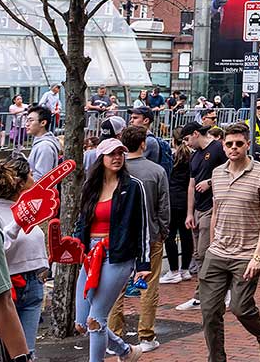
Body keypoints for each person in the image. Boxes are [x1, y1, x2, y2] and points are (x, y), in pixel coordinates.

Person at [197, 122, 260, 362]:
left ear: (247, 144)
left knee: (240, 307)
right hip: (218, 252)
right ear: (223, 145)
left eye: (239, 144)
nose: (234, 148)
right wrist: (211, 245)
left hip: (246, 254)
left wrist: (258, 255)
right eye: (229, 144)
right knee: (209, 312)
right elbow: (217, 209)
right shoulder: (217, 173)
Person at [73, 138, 152, 362]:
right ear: (101, 158)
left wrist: (143, 264)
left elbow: (143, 225)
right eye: (111, 154)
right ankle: (126, 351)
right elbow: (82, 222)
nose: (117, 158)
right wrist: (76, 247)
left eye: (120, 153)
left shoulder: (132, 186)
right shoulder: (91, 186)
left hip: (117, 256)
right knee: (81, 323)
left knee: (95, 320)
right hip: (91, 255)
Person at [108, 126, 170, 353]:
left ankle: (114, 335)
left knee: (116, 287)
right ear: (143, 143)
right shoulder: (156, 171)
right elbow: (164, 205)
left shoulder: (115, 170)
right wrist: (163, 230)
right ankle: (146, 334)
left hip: (121, 237)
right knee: (149, 285)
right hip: (151, 234)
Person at [0, 157, 47, 357]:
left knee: (28, 352)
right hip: (8, 288)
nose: (34, 179)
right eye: (31, 175)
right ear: (20, 182)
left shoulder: (27, 208)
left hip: (33, 285)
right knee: (5, 352)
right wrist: (16, 224)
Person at [183, 120, 228, 292]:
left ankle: (205, 292)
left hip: (212, 205)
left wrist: (210, 182)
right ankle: (205, 291)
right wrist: (189, 212)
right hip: (198, 208)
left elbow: (229, 171)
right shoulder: (195, 155)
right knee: (198, 253)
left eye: (187, 139)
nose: (187, 144)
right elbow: (191, 184)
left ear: (196, 133)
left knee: (204, 251)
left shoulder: (217, 148)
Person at [161, 131, 194, 285]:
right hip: (187, 200)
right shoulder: (192, 158)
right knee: (186, 235)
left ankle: (174, 270)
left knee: (170, 235)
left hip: (173, 199)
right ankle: (185, 269)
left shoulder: (172, 158)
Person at [24, 106, 62, 181]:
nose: (27, 124)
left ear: (43, 123)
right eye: (27, 120)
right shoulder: (40, 144)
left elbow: (41, 179)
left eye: (31, 120)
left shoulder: (44, 146)